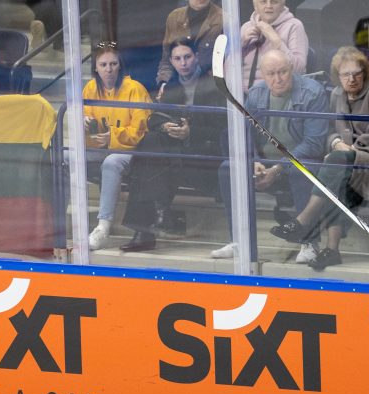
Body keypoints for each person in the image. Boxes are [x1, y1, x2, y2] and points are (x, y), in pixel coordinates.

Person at [270, 47, 369, 270]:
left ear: (365, 73)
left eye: (357, 73)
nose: (352, 79)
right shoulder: (337, 94)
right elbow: (330, 130)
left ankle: (304, 220)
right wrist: (337, 143)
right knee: (335, 181)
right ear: (338, 76)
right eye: (346, 74)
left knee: (335, 164)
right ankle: (332, 250)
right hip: (347, 161)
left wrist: (350, 149)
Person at [213, 49, 329, 260]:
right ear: (262, 75)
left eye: (283, 72)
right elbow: (243, 133)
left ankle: (309, 243)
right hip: (264, 163)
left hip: (299, 161)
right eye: (271, 74)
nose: (278, 79)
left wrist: (277, 168)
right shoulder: (256, 94)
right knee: (227, 169)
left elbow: (314, 144)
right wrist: (254, 162)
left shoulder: (313, 93)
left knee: (303, 170)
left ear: (291, 69)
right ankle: (240, 242)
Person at [120, 37, 226, 252]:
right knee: (151, 143)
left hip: (202, 157)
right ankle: (156, 217)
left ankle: (146, 227)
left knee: (149, 161)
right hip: (173, 155)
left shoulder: (214, 86)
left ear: (196, 57)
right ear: (172, 61)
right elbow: (154, 119)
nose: (183, 63)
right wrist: (166, 126)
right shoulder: (170, 87)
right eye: (177, 59)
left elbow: (223, 131)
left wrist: (190, 132)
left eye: (187, 57)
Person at [83, 42, 152, 251]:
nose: (109, 69)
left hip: (130, 152)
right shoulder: (90, 88)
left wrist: (113, 137)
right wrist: (84, 121)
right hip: (99, 147)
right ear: (96, 67)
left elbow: (141, 132)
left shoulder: (135, 89)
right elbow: (86, 127)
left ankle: (103, 226)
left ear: (119, 66)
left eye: (113, 64)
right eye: (103, 64)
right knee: (65, 158)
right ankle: (55, 222)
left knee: (112, 162)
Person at [241, 0, 308, 90]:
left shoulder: (294, 26)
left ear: (282, 5)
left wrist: (276, 40)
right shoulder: (246, 27)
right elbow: (228, 70)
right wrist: (241, 44)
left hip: (274, 93)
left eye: (274, 2)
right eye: (263, 2)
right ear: (256, 7)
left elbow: (299, 70)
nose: (269, 6)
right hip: (240, 93)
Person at [155, 0, 223, 86]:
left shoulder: (223, 20)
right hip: (178, 86)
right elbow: (166, 60)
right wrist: (163, 83)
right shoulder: (175, 17)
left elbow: (230, 61)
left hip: (210, 86)